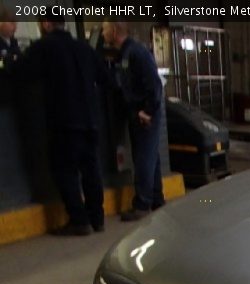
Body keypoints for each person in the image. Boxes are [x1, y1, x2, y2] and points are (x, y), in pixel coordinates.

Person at [13, 11, 106, 235]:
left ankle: (79, 220)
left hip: (64, 122)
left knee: (66, 172)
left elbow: (19, 73)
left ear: (45, 24)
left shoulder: (44, 47)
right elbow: (106, 79)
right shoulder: (85, 48)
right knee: (91, 172)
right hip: (90, 122)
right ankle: (97, 219)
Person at [102, 19, 165, 221]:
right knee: (150, 157)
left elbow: (155, 85)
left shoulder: (136, 52)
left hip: (145, 114)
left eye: (104, 29)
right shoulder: (125, 54)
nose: (102, 34)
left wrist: (148, 111)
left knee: (144, 158)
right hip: (137, 113)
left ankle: (142, 203)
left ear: (113, 30)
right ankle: (156, 198)